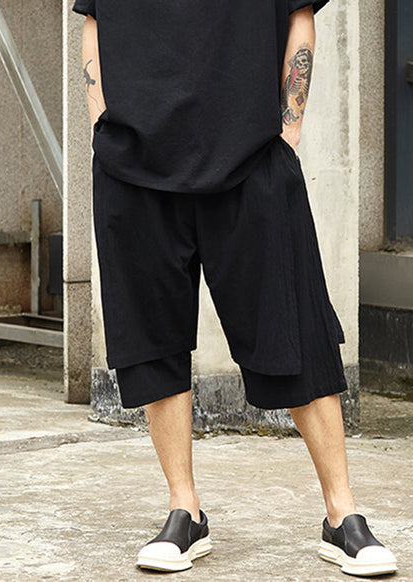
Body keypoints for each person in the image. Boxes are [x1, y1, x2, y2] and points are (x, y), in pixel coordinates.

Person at [72, 0, 397, 576]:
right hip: (134, 166)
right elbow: (94, 19)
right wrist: (103, 122)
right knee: (153, 342)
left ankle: (342, 514)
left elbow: (300, 15)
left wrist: (288, 129)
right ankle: (184, 510)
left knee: (296, 330)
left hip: (251, 159)